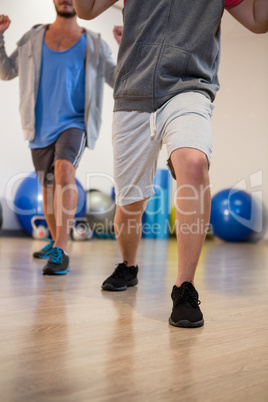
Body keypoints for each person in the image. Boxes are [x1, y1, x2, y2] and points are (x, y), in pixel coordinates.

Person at [74, 0, 267, 328]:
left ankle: (185, 287)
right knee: (130, 204)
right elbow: (87, 10)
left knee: (194, 163)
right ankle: (128, 265)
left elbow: (258, 20)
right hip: (133, 93)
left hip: (190, 87)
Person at [0, 0, 118, 275]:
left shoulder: (95, 44)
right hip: (38, 127)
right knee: (48, 187)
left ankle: (61, 250)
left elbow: (117, 78)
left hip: (76, 123)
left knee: (64, 171)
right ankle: (55, 242)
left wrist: (128, 48)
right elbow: (6, 71)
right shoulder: (32, 38)